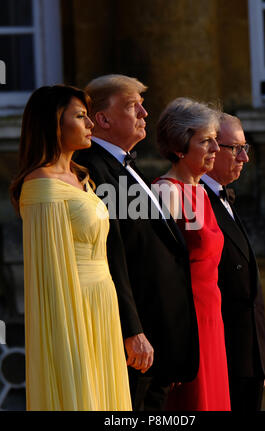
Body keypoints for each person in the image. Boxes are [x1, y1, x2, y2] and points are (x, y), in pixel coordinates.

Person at [74, 75, 199, 411]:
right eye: (132, 106)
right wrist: (131, 330)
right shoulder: (92, 169)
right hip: (135, 343)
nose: (145, 112)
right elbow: (111, 256)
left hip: (159, 340)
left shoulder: (129, 167)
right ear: (103, 119)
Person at [10, 84, 132, 411]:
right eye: (80, 116)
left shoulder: (83, 179)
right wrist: (68, 346)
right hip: (71, 309)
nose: (90, 124)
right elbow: (50, 279)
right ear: (54, 124)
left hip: (102, 303)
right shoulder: (41, 187)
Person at [153, 97, 231, 411]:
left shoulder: (201, 191)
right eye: (206, 141)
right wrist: (170, 345)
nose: (216, 149)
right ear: (179, 145)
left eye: (217, 140)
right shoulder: (166, 192)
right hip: (186, 325)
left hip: (212, 319)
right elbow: (158, 272)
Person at [201, 113, 265, 411]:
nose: (245, 157)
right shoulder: (190, 197)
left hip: (246, 357)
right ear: (211, 148)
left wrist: (258, 359)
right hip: (220, 356)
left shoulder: (223, 197)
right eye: (235, 148)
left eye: (246, 148)